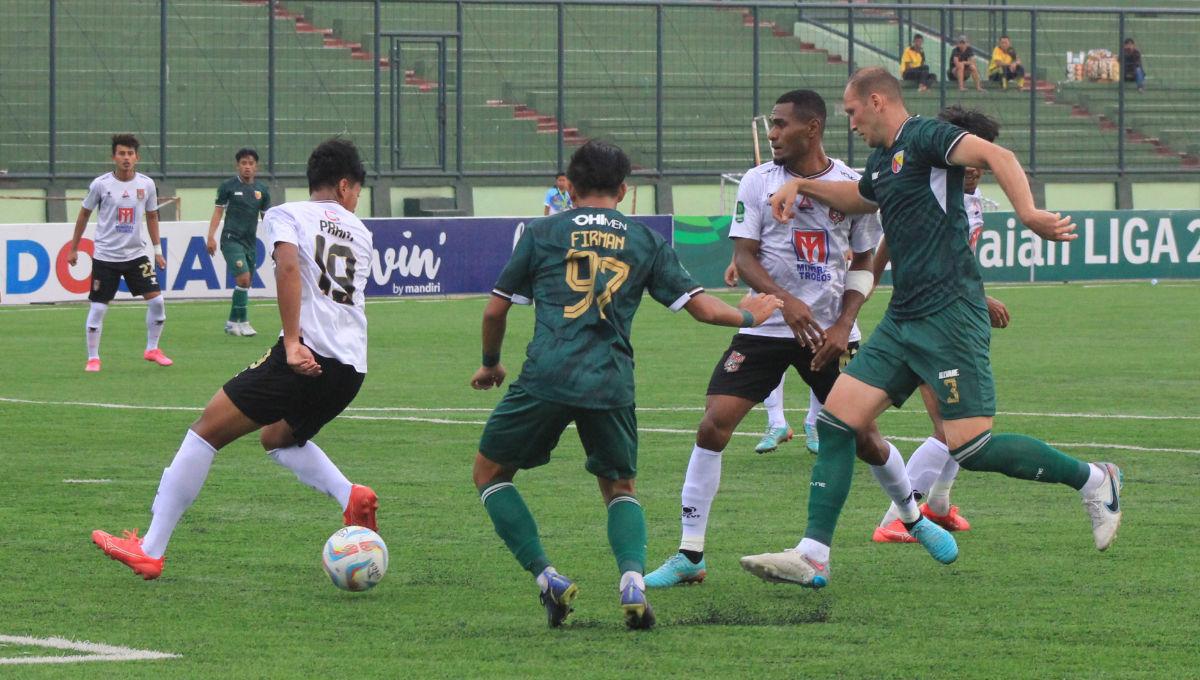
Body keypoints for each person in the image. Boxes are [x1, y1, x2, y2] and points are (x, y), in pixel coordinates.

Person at [739, 67, 1123, 589]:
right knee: (836, 422)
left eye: (852, 112)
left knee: (970, 446)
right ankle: (813, 554)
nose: (849, 123)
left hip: (949, 316)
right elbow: (859, 198)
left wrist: (1029, 213)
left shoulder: (925, 136)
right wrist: (803, 184)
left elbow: (997, 155)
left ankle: (1096, 479)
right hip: (905, 318)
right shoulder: (882, 160)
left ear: (876, 101)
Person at [646, 90, 958, 591]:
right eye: (770, 125)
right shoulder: (756, 180)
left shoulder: (854, 185)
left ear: (811, 128)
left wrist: (842, 324)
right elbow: (744, 256)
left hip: (829, 334)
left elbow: (863, 263)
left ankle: (912, 518)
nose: (771, 133)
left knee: (864, 438)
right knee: (713, 426)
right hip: (766, 326)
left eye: (780, 125)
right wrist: (781, 299)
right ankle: (690, 553)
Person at [470, 140, 782, 630]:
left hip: (547, 374)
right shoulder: (644, 240)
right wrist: (748, 312)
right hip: (610, 380)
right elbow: (703, 309)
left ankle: (547, 577)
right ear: (624, 189)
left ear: (568, 186)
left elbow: (495, 308)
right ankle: (632, 580)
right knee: (619, 487)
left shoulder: (542, 231)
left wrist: (490, 365)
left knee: (490, 474)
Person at [91, 139, 379, 580]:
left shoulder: (288, 214)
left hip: (305, 356)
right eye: (357, 190)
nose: (355, 199)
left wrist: (293, 342)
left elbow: (287, 269)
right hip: (350, 370)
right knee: (276, 438)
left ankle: (150, 548)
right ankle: (349, 494)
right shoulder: (361, 232)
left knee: (206, 431)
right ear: (344, 186)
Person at [870, 105, 1011, 543]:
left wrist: (975, 294)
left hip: (954, 312)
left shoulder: (969, 202)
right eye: (970, 159)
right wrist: (864, 285)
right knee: (955, 428)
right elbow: (896, 239)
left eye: (981, 162)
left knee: (962, 423)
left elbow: (958, 256)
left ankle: (939, 506)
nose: (976, 170)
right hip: (927, 317)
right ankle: (898, 515)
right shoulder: (923, 186)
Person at [68, 134, 171, 372]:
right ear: (114, 156)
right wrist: (73, 247)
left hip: (136, 255)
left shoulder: (146, 185)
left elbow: (152, 216)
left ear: (137, 157)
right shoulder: (101, 184)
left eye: (130, 154)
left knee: (157, 301)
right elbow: (84, 214)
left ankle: (152, 348)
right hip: (106, 257)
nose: (126, 158)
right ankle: (93, 358)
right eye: (122, 153)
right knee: (99, 307)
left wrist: (157, 251)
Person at [723, 255, 824, 455]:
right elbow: (749, 239)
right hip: (769, 294)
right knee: (766, 357)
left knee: (823, 356)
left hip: (820, 294)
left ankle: (816, 423)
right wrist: (737, 259)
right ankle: (776, 422)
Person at [206, 148, 271, 337]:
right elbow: (218, 212)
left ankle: (233, 323)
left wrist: (277, 242)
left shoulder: (262, 191)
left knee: (246, 282)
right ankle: (244, 322)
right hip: (231, 240)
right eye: (244, 163)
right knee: (243, 278)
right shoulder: (228, 187)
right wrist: (211, 236)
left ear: (256, 167)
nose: (247, 167)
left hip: (250, 242)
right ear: (238, 166)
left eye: (251, 163)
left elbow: (267, 218)